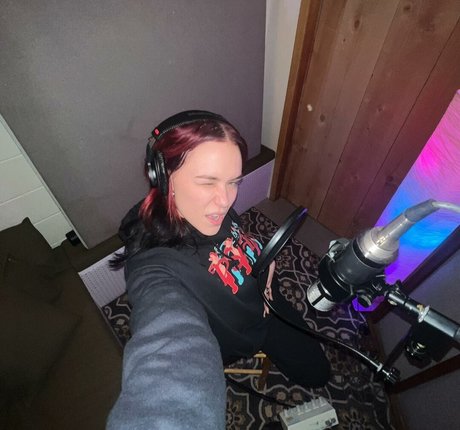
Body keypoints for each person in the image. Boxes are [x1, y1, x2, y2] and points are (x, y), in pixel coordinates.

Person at [107, 110, 330, 429]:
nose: (225, 200)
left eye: (233, 182)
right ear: (163, 177)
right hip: (247, 329)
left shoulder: (205, 209)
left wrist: (263, 263)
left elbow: (239, 239)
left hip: (265, 296)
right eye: (207, 182)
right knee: (317, 374)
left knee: (319, 373)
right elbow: (168, 343)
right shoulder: (154, 268)